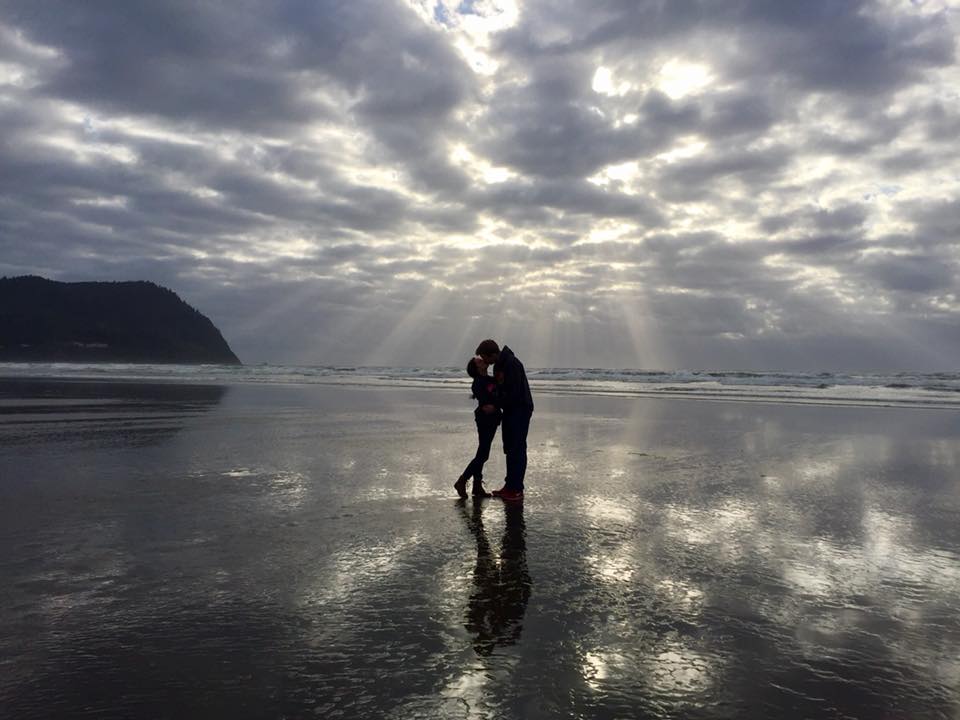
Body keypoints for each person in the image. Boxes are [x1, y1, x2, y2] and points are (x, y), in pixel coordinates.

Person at [475, 339, 533, 501]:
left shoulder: (512, 364)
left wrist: (495, 406)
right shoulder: (499, 365)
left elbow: (514, 393)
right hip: (509, 409)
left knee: (517, 448)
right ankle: (510, 485)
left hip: (520, 409)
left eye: (485, 358)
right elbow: (499, 390)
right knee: (509, 447)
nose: (485, 361)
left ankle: (516, 489)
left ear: (493, 354)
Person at [454, 356, 502, 499]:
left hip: (493, 418)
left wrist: (496, 404)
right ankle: (462, 480)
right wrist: (495, 404)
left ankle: (476, 486)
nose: (483, 360)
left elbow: (497, 397)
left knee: (482, 451)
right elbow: (488, 403)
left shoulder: (491, 379)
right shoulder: (477, 383)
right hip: (484, 419)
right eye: (479, 361)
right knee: (483, 454)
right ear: (477, 368)